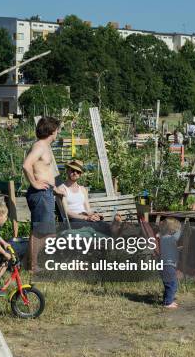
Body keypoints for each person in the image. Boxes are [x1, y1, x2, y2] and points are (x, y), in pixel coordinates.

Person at [22, 116, 62, 273]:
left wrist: (54, 187)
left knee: (41, 231)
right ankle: (33, 266)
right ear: (52, 131)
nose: (58, 132)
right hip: (40, 193)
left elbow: (44, 170)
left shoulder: (45, 147)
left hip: (46, 192)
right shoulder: (39, 146)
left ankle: (27, 263)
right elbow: (26, 165)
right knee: (43, 232)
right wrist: (34, 183)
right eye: (57, 130)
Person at [56, 160, 122, 235]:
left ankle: (113, 228)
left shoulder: (82, 189)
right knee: (92, 226)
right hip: (73, 220)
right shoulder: (61, 189)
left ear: (80, 175)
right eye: (73, 170)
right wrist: (86, 218)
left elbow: (88, 210)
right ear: (67, 171)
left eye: (78, 172)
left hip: (85, 217)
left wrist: (94, 214)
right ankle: (114, 229)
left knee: (100, 223)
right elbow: (67, 213)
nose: (75, 173)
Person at [158, 217, 182, 308]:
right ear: (172, 230)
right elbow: (177, 237)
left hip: (166, 265)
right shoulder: (168, 238)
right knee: (172, 284)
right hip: (167, 266)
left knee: (170, 284)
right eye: (176, 230)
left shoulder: (164, 238)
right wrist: (181, 229)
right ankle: (168, 303)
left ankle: (167, 300)